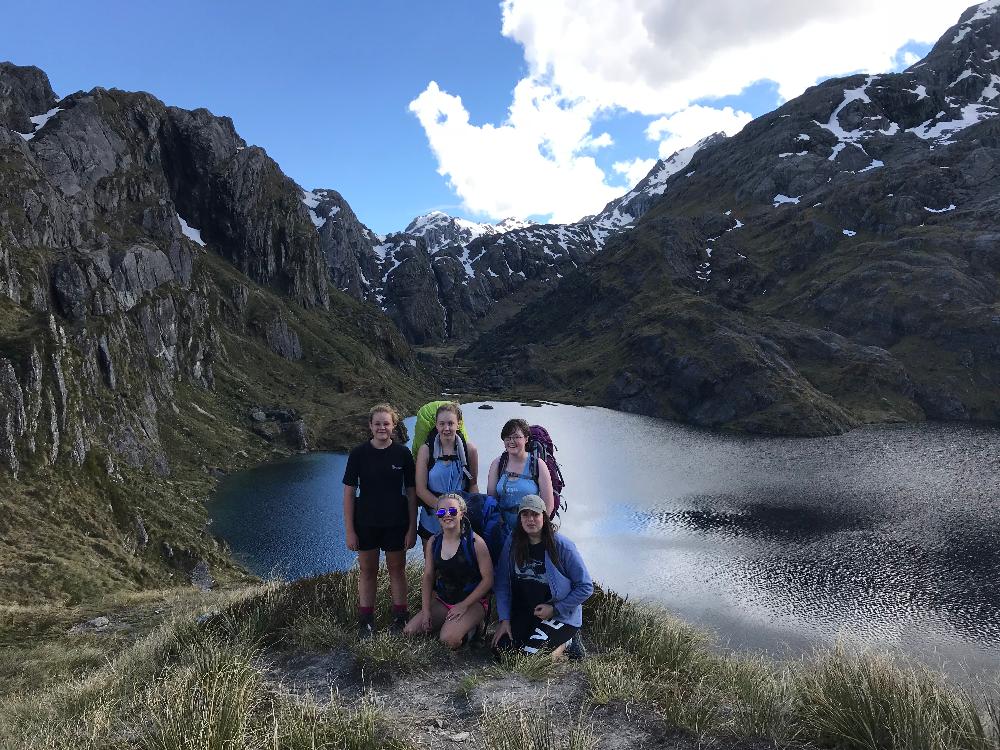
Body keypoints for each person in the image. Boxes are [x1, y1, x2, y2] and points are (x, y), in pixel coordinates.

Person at [342, 404, 417, 637]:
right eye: (377, 424)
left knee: (397, 569)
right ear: (370, 426)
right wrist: (350, 531)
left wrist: (412, 528)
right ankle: (366, 621)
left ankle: (400, 618)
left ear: (393, 426)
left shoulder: (403, 454)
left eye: (386, 423)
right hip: (366, 523)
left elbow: (412, 493)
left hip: (397, 523)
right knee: (367, 570)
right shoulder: (358, 454)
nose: (382, 427)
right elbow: (348, 493)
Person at [492, 494, 593, 658]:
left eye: (535, 514)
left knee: (533, 657)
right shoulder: (512, 542)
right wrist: (505, 619)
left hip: (558, 614)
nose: (530, 519)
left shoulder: (562, 546)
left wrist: (555, 609)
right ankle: (536, 635)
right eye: (525, 514)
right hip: (526, 611)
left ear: (544, 517)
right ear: (520, 518)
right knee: (502, 651)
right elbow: (502, 582)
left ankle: (568, 641)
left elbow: (585, 587)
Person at [404, 493, 493, 648]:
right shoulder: (434, 541)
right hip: (444, 601)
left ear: (461, 514)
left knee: (447, 640)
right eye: (441, 512)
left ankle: (474, 627)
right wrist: (426, 611)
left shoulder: (476, 543)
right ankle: (451, 624)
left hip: (473, 603)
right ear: (437, 517)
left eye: (452, 511)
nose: (447, 515)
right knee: (410, 632)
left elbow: (488, 580)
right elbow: (428, 576)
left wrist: (464, 605)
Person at [415, 402, 480, 542]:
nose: (446, 428)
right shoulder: (426, 451)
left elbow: (473, 485)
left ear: (459, 424)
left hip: (460, 518)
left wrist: (470, 512)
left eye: (451, 423)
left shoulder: (470, 450)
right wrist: (444, 510)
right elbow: (420, 489)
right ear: (436, 425)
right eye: (442, 423)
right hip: (432, 519)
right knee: (431, 561)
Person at [487, 418, 554, 530]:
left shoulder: (537, 464)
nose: (511, 441)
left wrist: (536, 532)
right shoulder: (498, 463)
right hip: (502, 529)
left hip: (530, 530)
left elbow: (548, 505)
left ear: (526, 439)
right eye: (507, 438)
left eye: (517, 437)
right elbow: (491, 500)